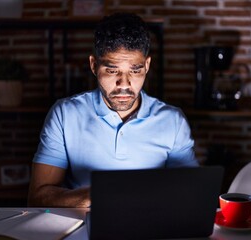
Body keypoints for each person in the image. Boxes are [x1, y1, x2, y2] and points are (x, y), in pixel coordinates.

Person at [27, 12, 199, 208]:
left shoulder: (173, 121)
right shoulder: (65, 115)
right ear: (94, 65)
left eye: (135, 70)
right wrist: (97, 196)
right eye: (112, 70)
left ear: (147, 66)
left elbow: (191, 193)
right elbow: (37, 197)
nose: (124, 84)